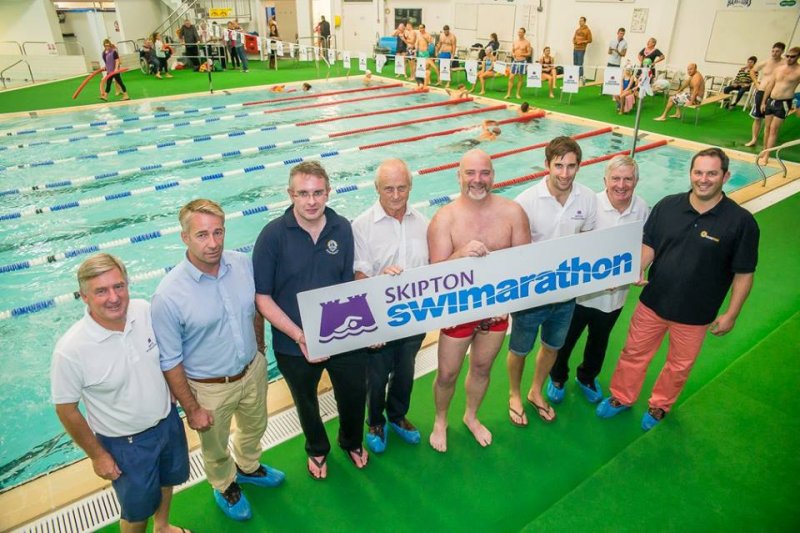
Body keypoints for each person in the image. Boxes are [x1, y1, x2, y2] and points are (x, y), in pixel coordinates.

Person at [597, 148, 759, 431]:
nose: (703, 179)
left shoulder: (741, 222)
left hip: (696, 314)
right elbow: (650, 244)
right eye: (698, 172)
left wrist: (731, 314)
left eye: (711, 173)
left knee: (678, 366)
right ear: (690, 174)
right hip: (653, 302)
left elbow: (744, 273)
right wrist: (640, 267)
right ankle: (621, 397)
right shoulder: (668, 205)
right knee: (633, 353)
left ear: (726, 176)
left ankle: (659, 405)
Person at [152, 199, 284, 522]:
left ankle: (249, 466)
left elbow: (255, 310)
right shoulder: (168, 295)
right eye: (201, 235)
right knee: (214, 447)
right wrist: (192, 409)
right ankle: (225, 485)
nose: (213, 243)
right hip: (208, 388)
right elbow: (170, 360)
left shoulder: (242, 265)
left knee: (256, 425)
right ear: (184, 237)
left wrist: (260, 351)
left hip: (251, 370)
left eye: (218, 232)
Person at [51, 253, 190, 533]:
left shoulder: (142, 310)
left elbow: (165, 355)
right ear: (84, 296)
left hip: (167, 422)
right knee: (136, 510)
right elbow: (66, 409)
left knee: (167, 481)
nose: (113, 297)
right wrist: (97, 455)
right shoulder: (71, 350)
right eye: (101, 291)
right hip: (125, 444)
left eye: (119, 286)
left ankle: (162, 527)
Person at [253, 161, 369, 480]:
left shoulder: (342, 228)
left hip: (341, 333)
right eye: (303, 193)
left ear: (328, 192)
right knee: (306, 401)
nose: (311, 201)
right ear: (290, 194)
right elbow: (262, 297)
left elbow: (348, 285)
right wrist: (299, 335)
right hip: (293, 341)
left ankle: (352, 440)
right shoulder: (272, 236)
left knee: (354, 392)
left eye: (318, 193)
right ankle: (317, 448)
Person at [427, 149, 531, 452]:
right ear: (459, 176)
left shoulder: (512, 213)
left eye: (484, 173)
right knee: (447, 373)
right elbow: (434, 275)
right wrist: (459, 255)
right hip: (457, 312)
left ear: (493, 176)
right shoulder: (444, 218)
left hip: (496, 311)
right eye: (470, 173)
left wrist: (506, 302)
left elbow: (525, 265)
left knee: (483, 368)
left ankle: (471, 416)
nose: (478, 180)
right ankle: (440, 420)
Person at [507, 136, 597, 426]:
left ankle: (535, 391)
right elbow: (515, 252)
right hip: (531, 296)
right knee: (519, 349)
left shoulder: (588, 198)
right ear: (547, 165)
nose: (565, 173)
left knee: (552, 347)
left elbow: (591, 242)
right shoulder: (525, 201)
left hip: (566, 295)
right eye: (559, 165)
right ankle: (514, 395)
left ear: (579, 166)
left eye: (571, 166)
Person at [549, 156, 649, 405]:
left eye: (628, 179)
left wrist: (639, 268)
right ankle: (557, 376)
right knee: (565, 340)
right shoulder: (591, 204)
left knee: (599, 340)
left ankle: (587, 377)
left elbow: (643, 245)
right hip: (580, 295)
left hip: (614, 297)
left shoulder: (642, 208)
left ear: (636, 181)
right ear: (605, 180)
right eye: (616, 178)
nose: (621, 185)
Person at [352, 159, 429, 454]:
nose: (396, 195)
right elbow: (359, 275)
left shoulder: (422, 222)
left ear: (410, 186)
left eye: (401, 188)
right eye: (388, 189)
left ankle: (397, 416)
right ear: (376, 189)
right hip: (379, 318)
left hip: (413, 316)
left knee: (406, 370)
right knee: (376, 374)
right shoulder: (361, 226)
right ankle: (375, 422)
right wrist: (378, 280)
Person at [759, 46, 800, 163]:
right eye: (787, 56)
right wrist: (763, 101)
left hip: (784, 103)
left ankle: (767, 155)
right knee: (767, 128)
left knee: (773, 130)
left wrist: (798, 104)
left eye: (792, 57)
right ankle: (763, 151)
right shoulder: (778, 69)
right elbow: (770, 85)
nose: (789, 59)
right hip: (771, 100)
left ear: (798, 57)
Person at [745, 42, 786, 148]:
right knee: (757, 117)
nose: (774, 53)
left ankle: (767, 143)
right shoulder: (765, 62)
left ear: (782, 52)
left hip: (774, 94)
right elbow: (752, 71)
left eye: (777, 51)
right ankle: (754, 139)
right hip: (761, 91)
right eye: (773, 51)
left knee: (771, 121)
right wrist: (756, 83)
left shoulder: (785, 63)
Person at [506, 27, 532, 99]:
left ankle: (517, 94)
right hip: (515, 61)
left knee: (520, 78)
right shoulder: (515, 41)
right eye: (519, 32)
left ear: (524, 33)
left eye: (521, 32)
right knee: (511, 77)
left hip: (522, 61)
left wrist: (522, 54)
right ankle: (508, 94)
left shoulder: (527, 42)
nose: (519, 33)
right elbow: (512, 50)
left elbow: (529, 53)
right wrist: (513, 54)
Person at [572, 17, 592, 82]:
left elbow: (590, 40)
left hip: (581, 49)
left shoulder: (587, 30)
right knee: (575, 63)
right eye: (579, 21)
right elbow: (574, 38)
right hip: (575, 48)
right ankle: (575, 78)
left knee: (580, 64)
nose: (580, 22)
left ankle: (580, 78)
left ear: (584, 22)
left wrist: (582, 42)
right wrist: (574, 41)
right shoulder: (577, 30)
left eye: (581, 21)